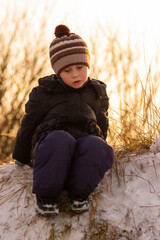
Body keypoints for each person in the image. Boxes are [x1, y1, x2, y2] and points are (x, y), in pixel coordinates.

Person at [12, 24, 114, 217]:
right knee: (61, 140)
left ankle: (79, 195)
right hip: (51, 147)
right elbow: (29, 123)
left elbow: (102, 123)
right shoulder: (45, 92)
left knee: (98, 146)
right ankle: (46, 196)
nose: (75, 74)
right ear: (58, 72)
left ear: (88, 65)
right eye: (68, 70)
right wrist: (20, 156)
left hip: (82, 149)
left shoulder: (96, 92)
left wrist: (102, 144)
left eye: (80, 67)